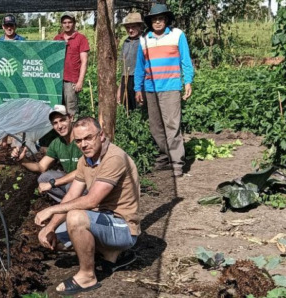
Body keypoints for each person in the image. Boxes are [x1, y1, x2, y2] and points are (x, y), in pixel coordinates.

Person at [33, 117, 140, 295]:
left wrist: (51, 209)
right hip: (103, 220)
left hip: (123, 227)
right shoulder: (85, 160)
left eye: (88, 138)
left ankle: (87, 276)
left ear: (101, 135)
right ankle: (111, 255)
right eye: (79, 140)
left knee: (75, 217)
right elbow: (72, 195)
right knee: (54, 240)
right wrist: (50, 226)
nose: (84, 144)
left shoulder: (114, 158)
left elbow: (91, 201)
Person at [134, 3, 195, 177]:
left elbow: (185, 59)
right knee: (156, 126)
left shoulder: (177, 35)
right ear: (150, 22)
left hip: (171, 86)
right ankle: (165, 156)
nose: (158, 22)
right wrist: (138, 88)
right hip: (150, 88)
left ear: (166, 20)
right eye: (154, 19)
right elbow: (140, 66)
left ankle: (177, 162)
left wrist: (188, 81)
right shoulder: (144, 39)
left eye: (161, 18)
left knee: (172, 124)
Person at [11, 105, 83, 203]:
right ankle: (69, 203)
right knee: (43, 178)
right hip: (71, 180)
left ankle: (72, 205)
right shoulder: (57, 143)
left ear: (71, 118)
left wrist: (53, 183)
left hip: (86, 181)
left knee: (72, 186)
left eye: (62, 120)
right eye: (55, 123)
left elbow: (84, 171)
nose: (60, 126)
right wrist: (22, 161)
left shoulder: (82, 140)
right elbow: (41, 167)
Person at [54, 12, 90, 119]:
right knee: (58, 108)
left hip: (72, 80)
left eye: (70, 22)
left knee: (71, 109)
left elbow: (84, 61)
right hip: (57, 79)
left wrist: (80, 81)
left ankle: (73, 132)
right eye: (64, 22)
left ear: (74, 23)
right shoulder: (57, 38)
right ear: (61, 24)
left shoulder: (80, 38)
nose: (67, 25)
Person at [116, 13, 145, 111]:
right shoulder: (126, 42)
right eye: (128, 27)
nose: (130, 30)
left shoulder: (144, 41)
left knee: (139, 105)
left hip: (139, 78)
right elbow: (124, 65)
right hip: (126, 78)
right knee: (126, 107)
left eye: (133, 27)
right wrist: (120, 87)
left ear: (140, 26)